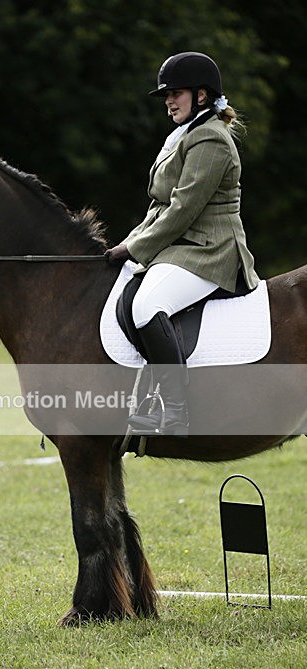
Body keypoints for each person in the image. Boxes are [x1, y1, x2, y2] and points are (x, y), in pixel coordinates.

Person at [105, 51, 259, 435]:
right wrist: (130, 241)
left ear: (202, 96)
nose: (169, 101)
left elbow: (183, 208)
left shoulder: (210, 138)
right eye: (167, 95)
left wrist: (134, 248)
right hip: (182, 247)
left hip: (212, 251)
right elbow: (161, 207)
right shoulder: (184, 134)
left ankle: (175, 408)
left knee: (146, 305)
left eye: (176, 93)